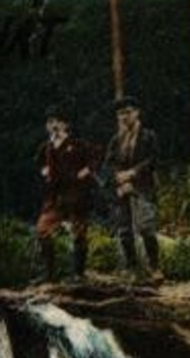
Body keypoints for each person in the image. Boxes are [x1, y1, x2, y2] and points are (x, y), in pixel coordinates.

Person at [34, 107, 100, 282]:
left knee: (79, 234)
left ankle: (78, 274)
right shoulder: (45, 147)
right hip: (55, 198)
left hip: (77, 196)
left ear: (65, 125)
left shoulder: (77, 144)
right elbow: (38, 164)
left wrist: (86, 171)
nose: (54, 126)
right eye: (50, 123)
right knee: (42, 231)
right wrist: (43, 170)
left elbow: (95, 158)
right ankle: (48, 274)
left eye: (57, 122)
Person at [104, 95, 162, 280]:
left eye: (128, 112)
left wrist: (133, 173)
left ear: (137, 113)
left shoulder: (149, 136)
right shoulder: (116, 140)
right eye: (120, 114)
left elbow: (154, 160)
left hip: (143, 188)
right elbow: (109, 163)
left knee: (146, 228)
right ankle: (131, 268)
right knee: (124, 231)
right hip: (122, 189)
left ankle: (154, 267)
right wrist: (118, 177)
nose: (124, 117)